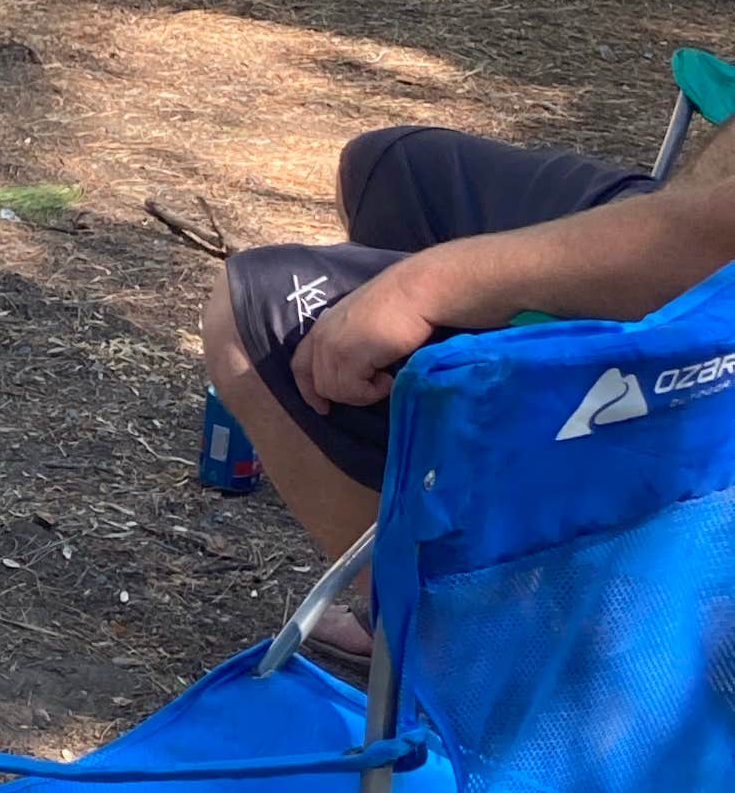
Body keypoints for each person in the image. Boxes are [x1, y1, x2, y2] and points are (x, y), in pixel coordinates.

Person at [202, 112, 735, 600]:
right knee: (388, 169)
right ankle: (457, 524)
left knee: (250, 315)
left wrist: (422, 284)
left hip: (709, 295)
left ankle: (451, 646)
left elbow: (714, 249)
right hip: (687, 221)